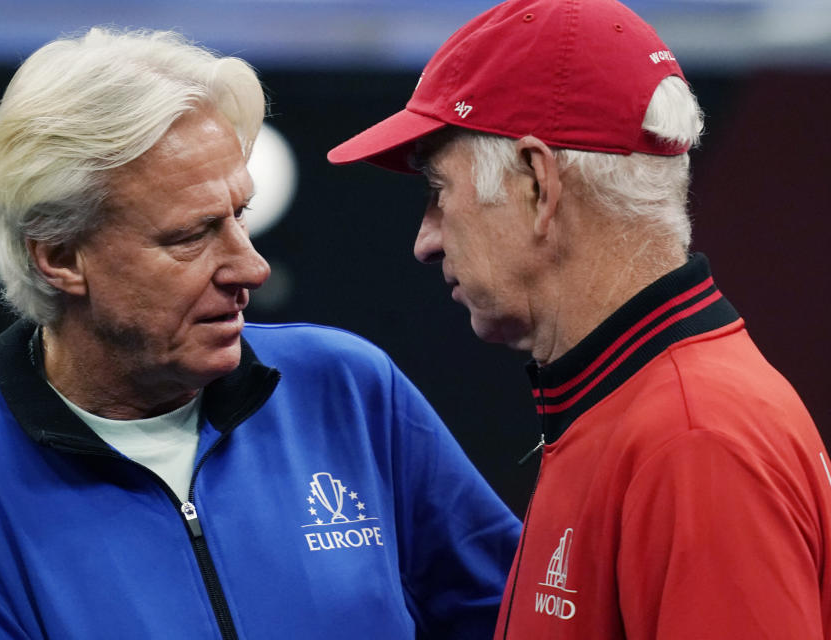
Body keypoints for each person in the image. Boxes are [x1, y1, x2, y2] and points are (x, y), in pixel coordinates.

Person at [0, 27, 521, 639]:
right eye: (192, 235)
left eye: (240, 216)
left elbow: (517, 619)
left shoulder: (347, 390)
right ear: (61, 257)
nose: (251, 267)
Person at [328, 0, 831, 638]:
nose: (425, 241)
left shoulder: (692, 438)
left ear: (539, 185)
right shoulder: (637, 406)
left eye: (438, 191)